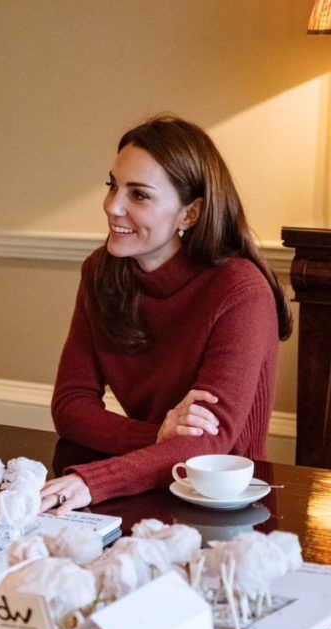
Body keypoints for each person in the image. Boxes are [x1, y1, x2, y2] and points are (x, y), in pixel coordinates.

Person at [41, 115, 292, 514]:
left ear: (190, 214)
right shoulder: (100, 272)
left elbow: (211, 443)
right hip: (146, 486)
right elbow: (70, 406)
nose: (112, 206)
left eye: (138, 195)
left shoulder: (241, 291)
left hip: (225, 505)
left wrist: (95, 481)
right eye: (113, 186)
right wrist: (159, 435)